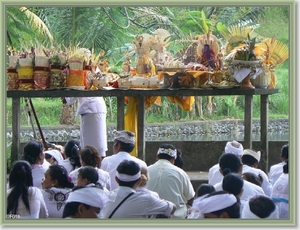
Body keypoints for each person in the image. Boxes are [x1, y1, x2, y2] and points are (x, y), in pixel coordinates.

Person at [102, 160, 176, 218]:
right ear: (139, 181)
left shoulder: (106, 196)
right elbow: (172, 208)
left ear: (116, 179)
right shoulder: (145, 199)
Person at [147, 143, 195, 218]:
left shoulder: (147, 171)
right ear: (173, 159)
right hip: (175, 218)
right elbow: (190, 197)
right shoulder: (181, 173)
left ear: (157, 157)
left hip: (150, 217)